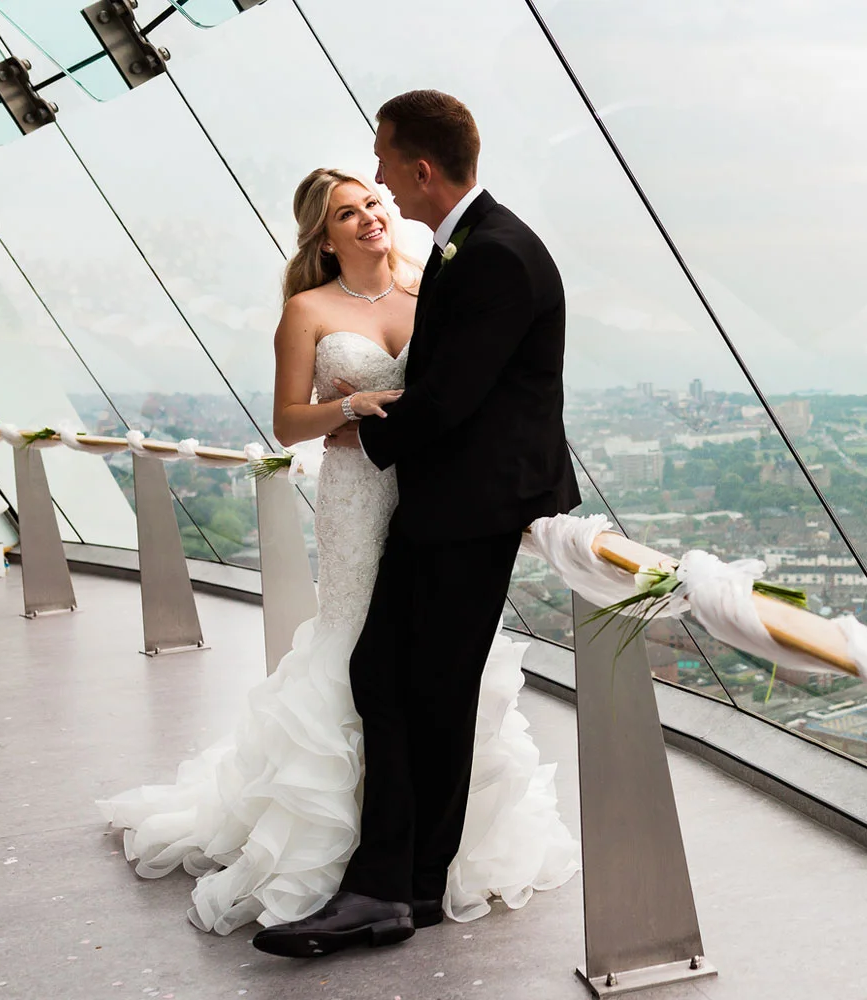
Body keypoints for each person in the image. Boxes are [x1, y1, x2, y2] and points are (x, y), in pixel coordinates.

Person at [98, 145, 578, 946]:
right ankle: (378, 872)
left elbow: (462, 392)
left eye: (374, 199)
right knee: (370, 668)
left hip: (435, 499)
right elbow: (290, 423)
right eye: (349, 211)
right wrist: (355, 407)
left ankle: (407, 880)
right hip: (364, 497)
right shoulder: (312, 309)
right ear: (324, 239)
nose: (371, 212)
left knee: (421, 683)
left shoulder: (441, 284)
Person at [248, 90, 583, 958]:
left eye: (385, 163)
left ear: (421, 167)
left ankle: (388, 891)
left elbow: (443, 402)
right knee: (403, 685)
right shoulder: (465, 247)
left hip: (467, 510)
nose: (383, 186)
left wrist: (358, 425)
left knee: (409, 689)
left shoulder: (493, 255)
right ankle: (403, 889)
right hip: (446, 507)